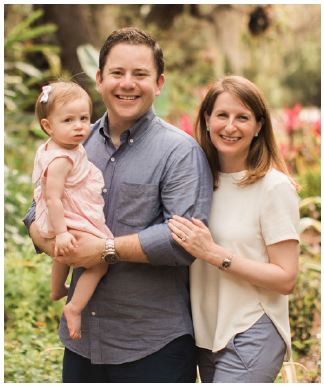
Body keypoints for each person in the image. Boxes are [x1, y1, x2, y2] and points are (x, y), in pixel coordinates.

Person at [23, 27, 213, 383]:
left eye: (140, 74)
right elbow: (37, 204)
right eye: (117, 73)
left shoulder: (180, 152)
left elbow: (183, 241)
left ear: (159, 83)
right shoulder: (72, 143)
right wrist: (54, 240)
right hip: (81, 344)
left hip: (153, 344)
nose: (127, 83)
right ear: (99, 79)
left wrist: (106, 249)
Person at [168, 75, 300, 383]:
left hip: (251, 328)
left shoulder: (273, 187)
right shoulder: (194, 181)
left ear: (258, 127)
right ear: (207, 119)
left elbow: (286, 278)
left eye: (242, 117)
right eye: (222, 115)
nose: (230, 127)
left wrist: (216, 254)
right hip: (205, 334)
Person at [32, 81, 113, 341]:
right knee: (100, 263)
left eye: (84, 118)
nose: (79, 126)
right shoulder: (61, 160)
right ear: (48, 126)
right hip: (66, 217)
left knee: (62, 255)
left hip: (63, 216)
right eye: (68, 120)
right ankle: (74, 307)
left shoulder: (55, 147)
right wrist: (63, 232)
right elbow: (53, 198)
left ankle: (56, 289)